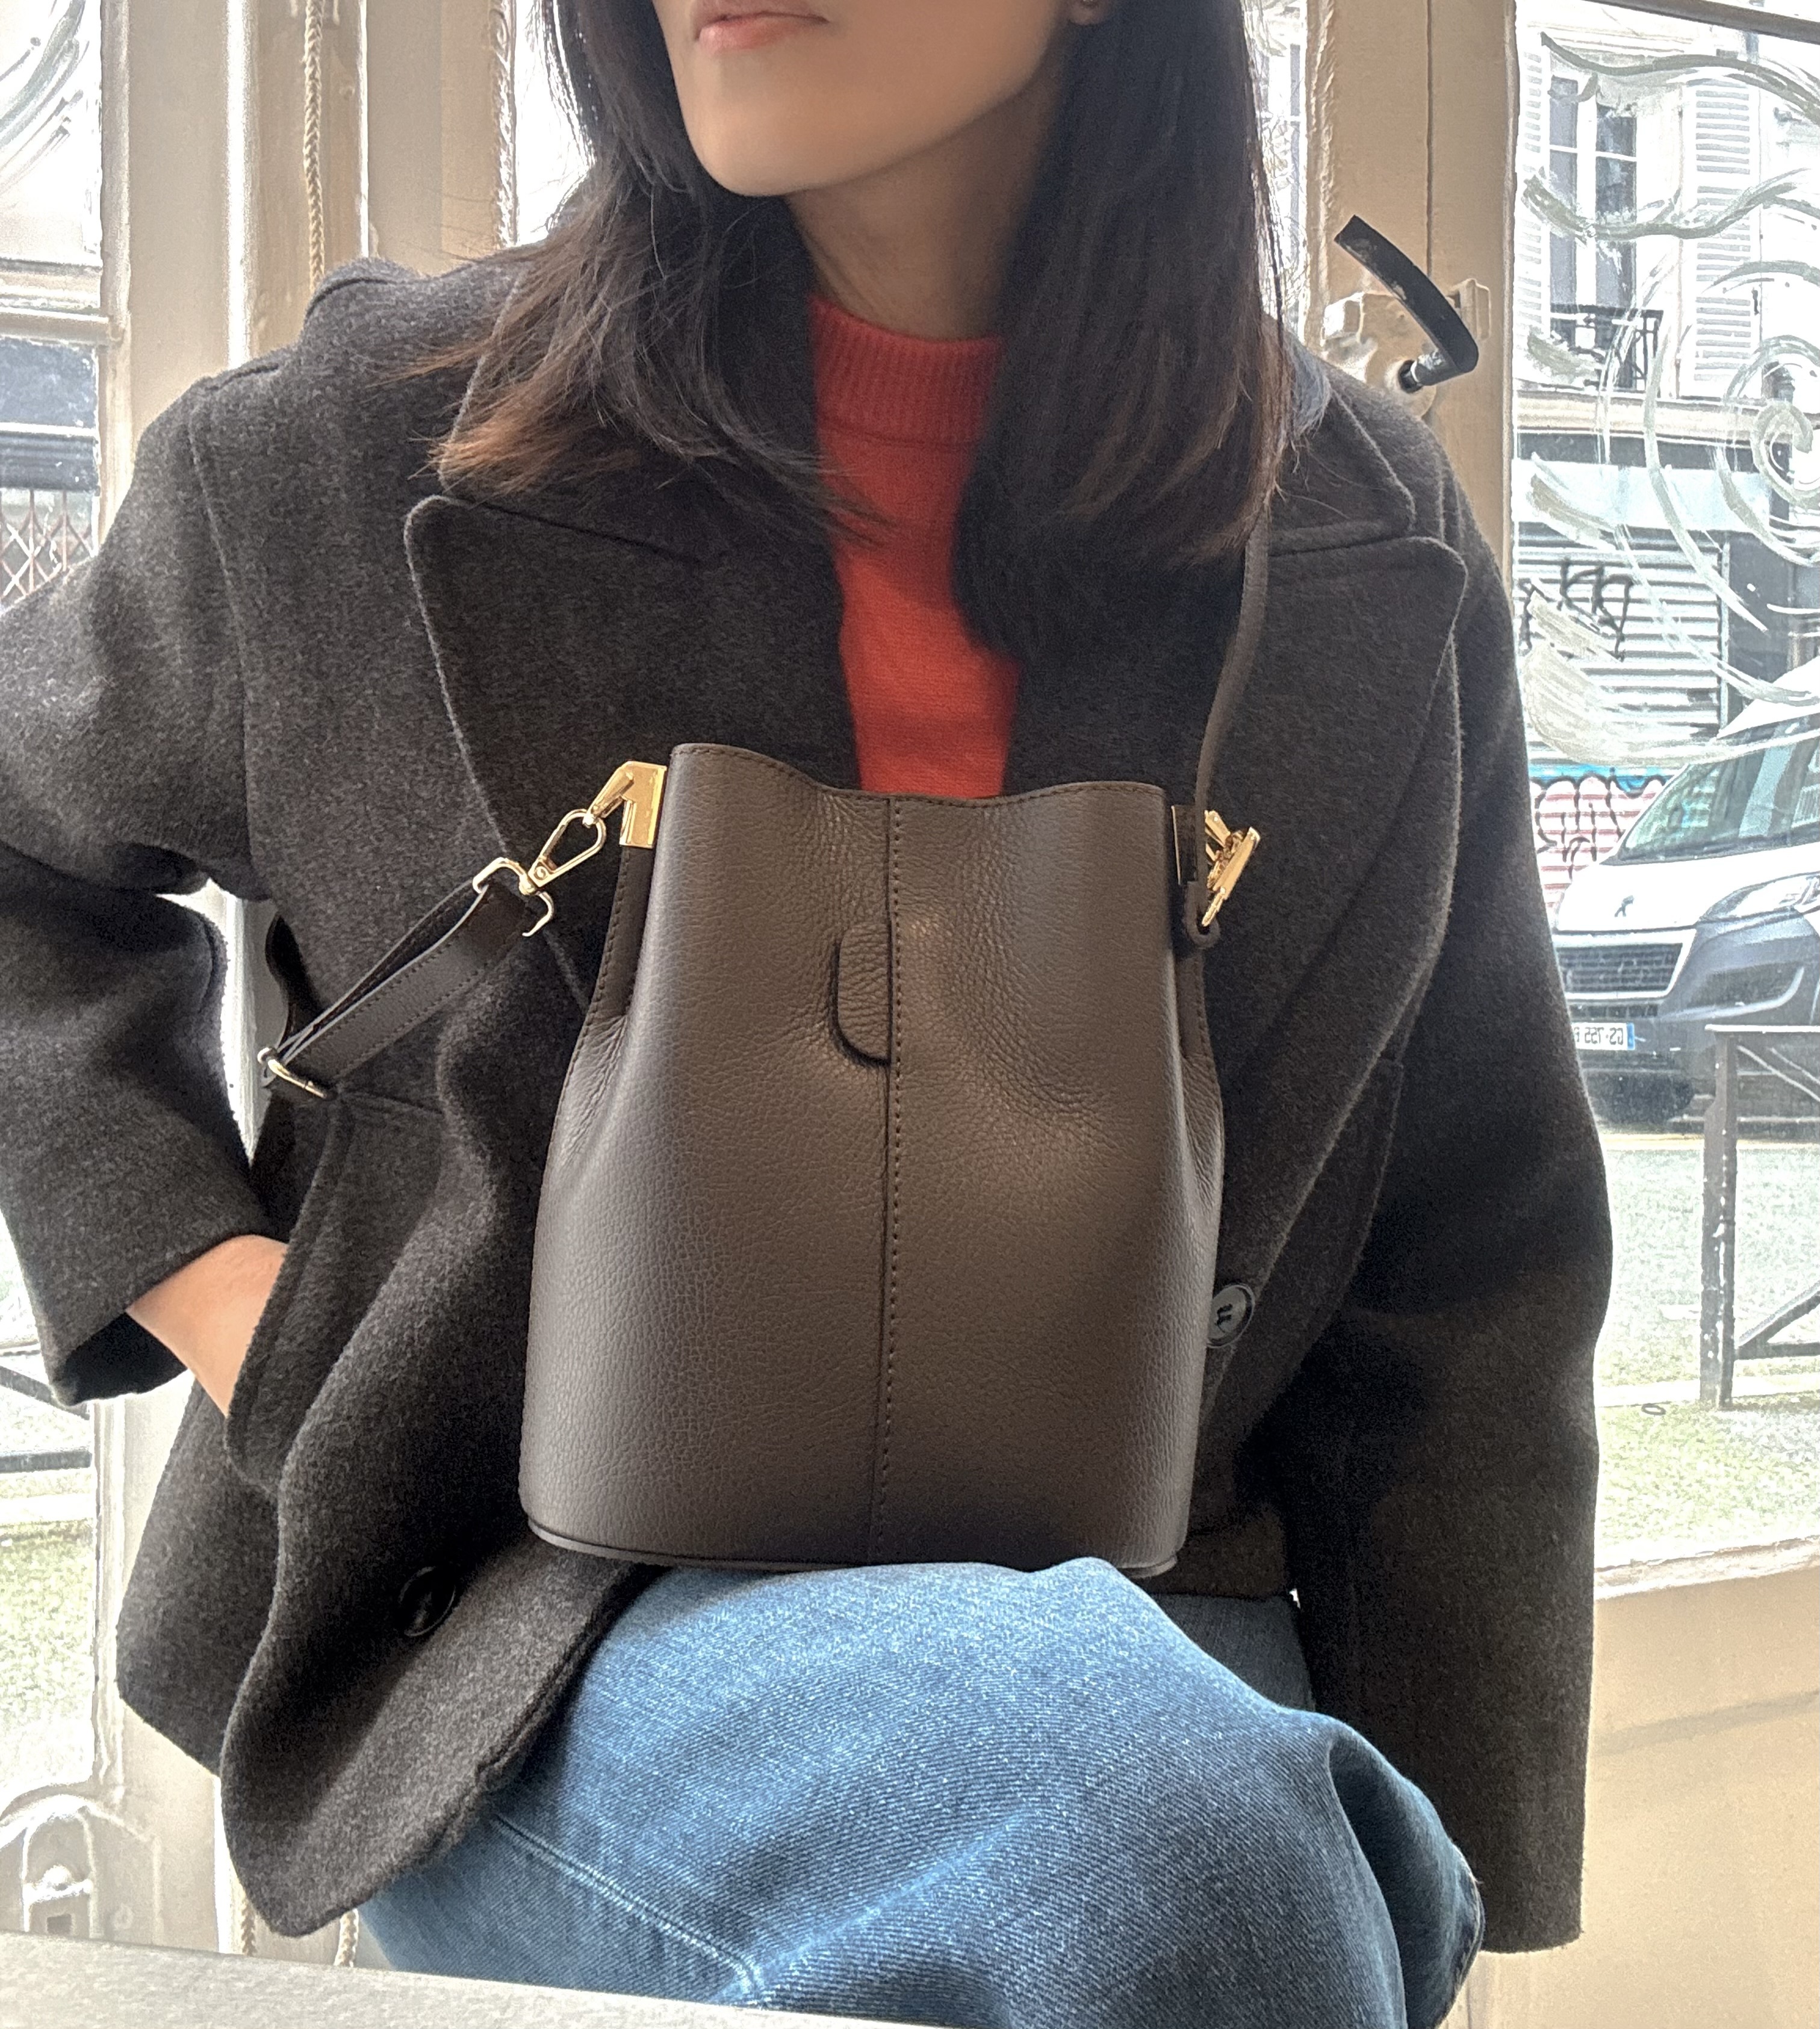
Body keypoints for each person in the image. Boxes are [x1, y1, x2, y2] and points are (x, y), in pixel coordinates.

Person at [0, 2, 1611, 2023]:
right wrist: (254, 1320)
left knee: (1262, 1850)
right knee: (1167, 1857)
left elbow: (1469, 1232)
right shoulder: (352, 449)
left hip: (1167, 1584)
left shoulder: (1363, 534)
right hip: (536, 1609)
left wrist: (1446, 1831)